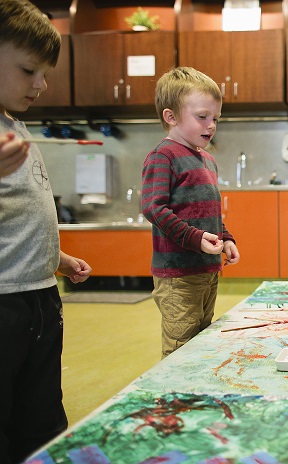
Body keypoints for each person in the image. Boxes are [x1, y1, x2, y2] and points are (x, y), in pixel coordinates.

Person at [0, 1, 92, 461]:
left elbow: (21, 215)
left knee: (42, 421)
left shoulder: (16, 125)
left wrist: (54, 256)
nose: (41, 84)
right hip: (3, 303)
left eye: (45, 72)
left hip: (39, 295)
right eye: (28, 70)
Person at [141, 66, 240, 359]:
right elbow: (153, 207)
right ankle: (176, 402)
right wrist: (195, 238)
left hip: (206, 271)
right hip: (178, 275)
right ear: (170, 117)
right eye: (202, 117)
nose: (210, 126)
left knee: (200, 342)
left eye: (215, 119)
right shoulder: (164, 155)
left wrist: (227, 237)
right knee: (180, 349)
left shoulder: (207, 159)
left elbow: (208, 212)